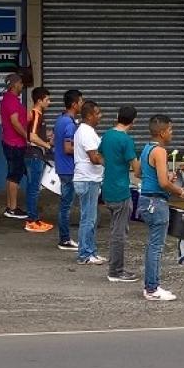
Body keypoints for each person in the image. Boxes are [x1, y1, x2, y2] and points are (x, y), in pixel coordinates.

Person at [137, 115, 184, 301]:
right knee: (156, 247)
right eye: (170, 130)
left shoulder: (146, 149)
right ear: (162, 132)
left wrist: (167, 177)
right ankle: (152, 289)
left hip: (145, 201)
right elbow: (162, 182)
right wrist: (178, 190)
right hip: (156, 203)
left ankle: (150, 286)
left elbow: (138, 172)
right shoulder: (160, 151)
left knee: (153, 245)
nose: (172, 133)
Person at [98, 105, 140, 282]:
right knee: (119, 233)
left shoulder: (107, 135)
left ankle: (115, 268)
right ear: (134, 122)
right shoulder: (126, 140)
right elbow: (137, 169)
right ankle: (116, 270)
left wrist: (111, 167)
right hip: (121, 190)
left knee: (116, 229)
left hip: (107, 187)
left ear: (117, 117)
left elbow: (98, 156)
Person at [73, 100, 106, 265]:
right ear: (89, 115)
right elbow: (94, 158)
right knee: (88, 219)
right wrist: (111, 163)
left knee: (90, 218)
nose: (100, 116)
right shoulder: (86, 132)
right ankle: (85, 254)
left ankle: (91, 251)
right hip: (87, 179)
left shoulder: (87, 131)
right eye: (98, 113)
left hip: (89, 179)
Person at [54, 89, 82, 251]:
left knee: (66, 204)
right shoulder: (69, 124)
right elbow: (67, 148)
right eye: (80, 102)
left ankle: (65, 238)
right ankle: (64, 239)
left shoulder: (60, 120)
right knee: (66, 205)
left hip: (62, 168)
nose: (82, 104)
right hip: (68, 169)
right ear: (74, 104)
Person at [23, 87, 53, 233]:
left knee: (33, 188)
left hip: (33, 155)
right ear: (39, 100)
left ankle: (34, 218)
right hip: (34, 155)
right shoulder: (36, 114)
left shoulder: (37, 115)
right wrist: (46, 145)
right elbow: (32, 137)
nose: (49, 102)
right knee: (33, 188)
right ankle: (31, 221)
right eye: (47, 99)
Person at [0, 73, 28, 219]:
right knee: (15, 175)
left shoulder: (10, 100)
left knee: (12, 175)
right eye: (21, 83)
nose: (22, 86)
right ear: (14, 84)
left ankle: (10, 207)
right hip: (14, 143)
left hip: (11, 142)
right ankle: (12, 208)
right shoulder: (10, 100)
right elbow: (15, 122)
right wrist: (26, 136)